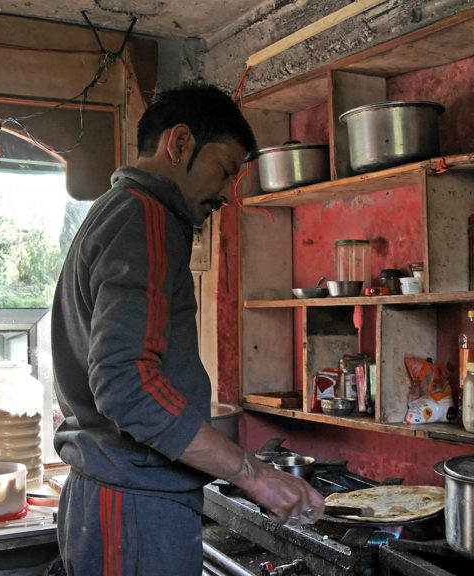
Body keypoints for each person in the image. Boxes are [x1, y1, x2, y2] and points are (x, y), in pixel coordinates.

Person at [51, 83, 324, 575]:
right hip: (133, 506)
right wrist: (254, 475)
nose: (226, 193)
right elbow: (127, 385)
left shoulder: (115, 211)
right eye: (224, 171)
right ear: (178, 145)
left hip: (117, 499)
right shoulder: (146, 217)